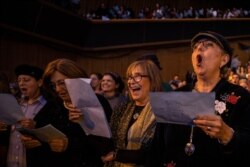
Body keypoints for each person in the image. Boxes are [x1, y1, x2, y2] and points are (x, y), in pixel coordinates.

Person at [148, 31, 250, 167]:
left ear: (224, 60)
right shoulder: (176, 95)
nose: (199, 48)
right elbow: (157, 148)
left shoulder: (239, 96)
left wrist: (228, 136)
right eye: (195, 47)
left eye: (207, 45)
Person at [43, 58, 113, 167]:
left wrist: (70, 143)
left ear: (76, 79)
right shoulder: (53, 105)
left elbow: (106, 145)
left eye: (62, 83)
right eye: (53, 85)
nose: (57, 89)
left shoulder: (98, 101)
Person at [101, 59, 163, 167]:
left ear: (152, 80)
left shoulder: (163, 112)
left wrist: (117, 155)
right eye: (129, 77)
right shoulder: (121, 109)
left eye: (137, 76)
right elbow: (109, 142)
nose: (131, 81)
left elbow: (154, 153)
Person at [7, 64, 71, 167]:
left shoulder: (54, 106)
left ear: (39, 82)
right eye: (19, 80)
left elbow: (60, 136)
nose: (21, 83)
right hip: (11, 160)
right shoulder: (14, 104)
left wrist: (36, 126)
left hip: (37, 161)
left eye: (26, 80)